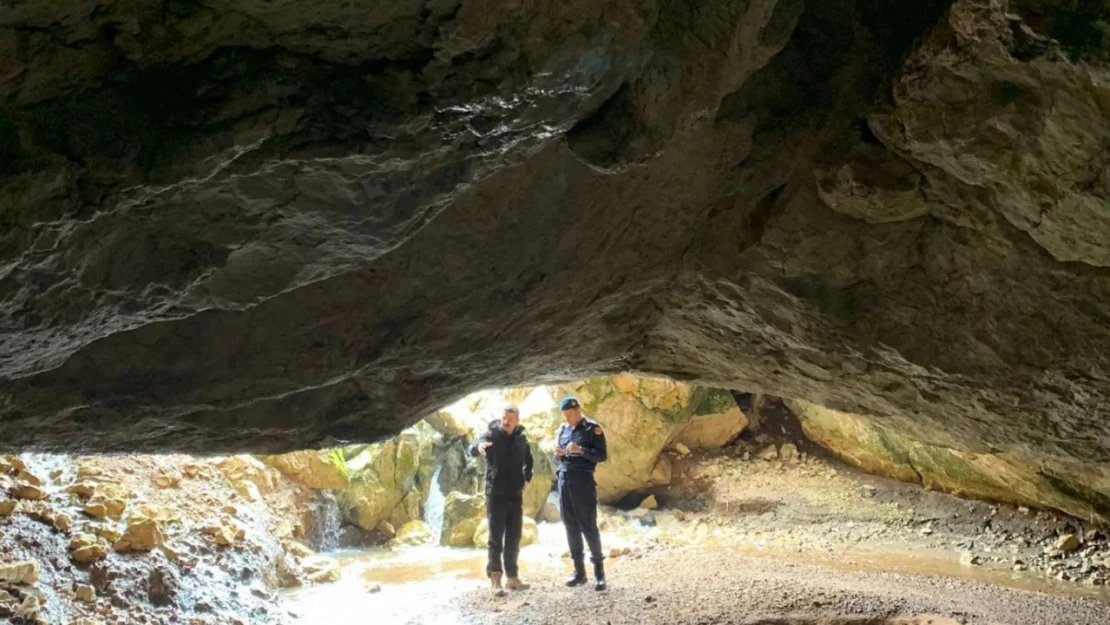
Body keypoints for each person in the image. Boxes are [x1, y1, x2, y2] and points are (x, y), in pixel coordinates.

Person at [469, 404, 534, 596]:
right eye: (504, 418)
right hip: (495, 494)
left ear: (517, 421)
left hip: (515, 494)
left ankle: (512, 578)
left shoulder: (522, 439)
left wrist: (527, 478)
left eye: (510, 419)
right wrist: (478, 448)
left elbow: (529, 461)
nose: (506, 422)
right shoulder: (491, 435)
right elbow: (472, 447)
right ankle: (495, 578)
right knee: (495, 538)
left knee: (514, 537)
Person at [554, 396, 608, 591]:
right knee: (570, 526)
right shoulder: (563, 430)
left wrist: (581, 450)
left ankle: (599, 574)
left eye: (569, 415)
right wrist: (558, 454)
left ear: (578, 410)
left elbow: (601, 455)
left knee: (588, 526)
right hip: (564, 481)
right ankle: (579, 572)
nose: (567, 419)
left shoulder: (592, 429)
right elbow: (556, 458)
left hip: (583, 481)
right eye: (565, 416)